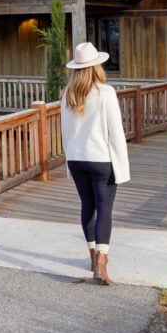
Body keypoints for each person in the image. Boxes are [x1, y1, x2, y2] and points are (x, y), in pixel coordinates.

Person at [60, 42, 130, 285]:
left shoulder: (68, 94)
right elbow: (116, 132)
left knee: (87, 206)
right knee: (104, 209)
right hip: (101, 159)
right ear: (96, 66)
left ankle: (91, 255)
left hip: (77, 159)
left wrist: (69, 161)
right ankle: (101, 261)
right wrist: (121, 165)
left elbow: (65, 131)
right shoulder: (105, 93)